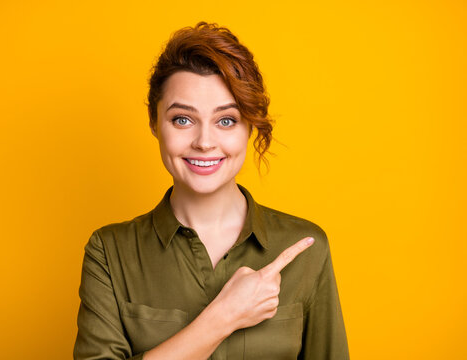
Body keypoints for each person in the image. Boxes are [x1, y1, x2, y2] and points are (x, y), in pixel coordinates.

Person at [73, 21, 349, 360]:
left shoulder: (306, 249)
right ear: (154, 123)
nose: (204, 142)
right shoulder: (110, 252)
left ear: (249, 126)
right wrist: (224, 317)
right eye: (183, 119)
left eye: (226, 120)